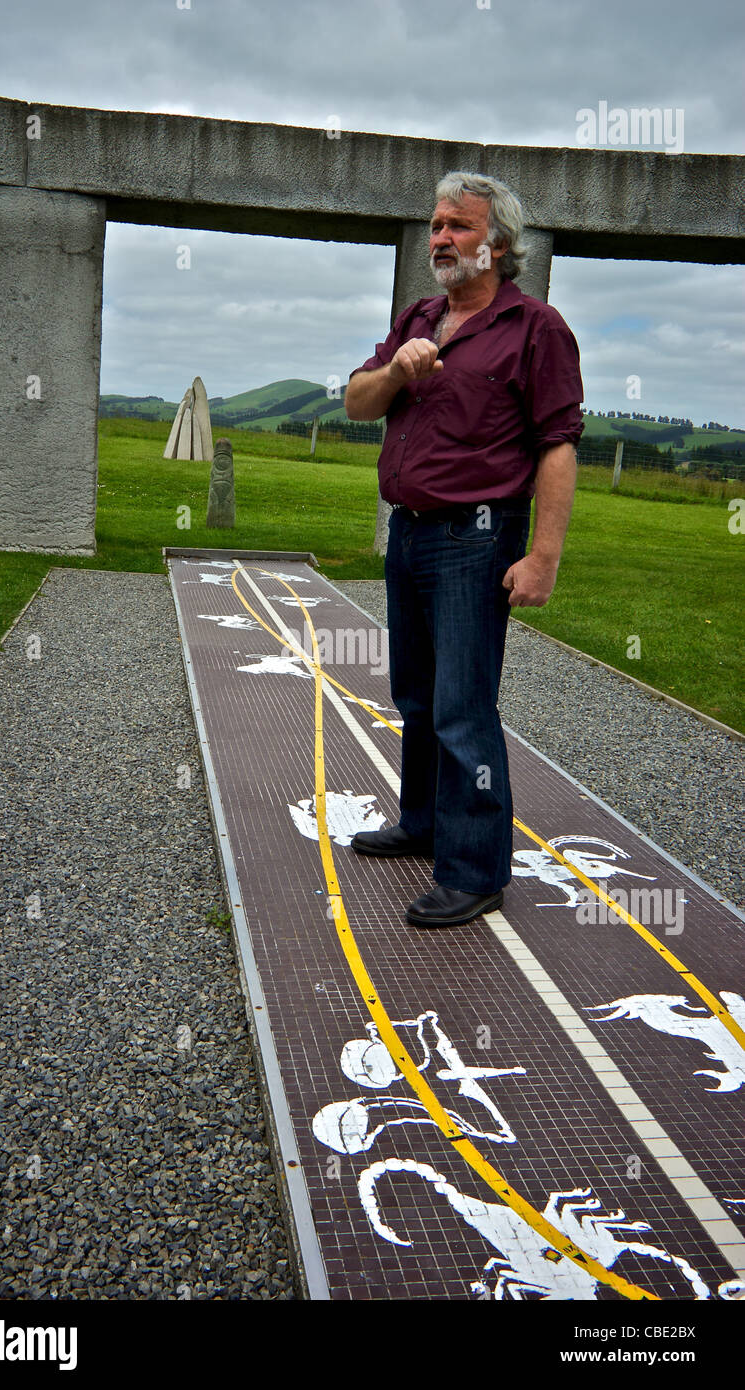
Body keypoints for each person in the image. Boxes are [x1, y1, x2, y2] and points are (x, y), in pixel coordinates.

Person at [344, 171, 584, 928]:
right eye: (435, 225)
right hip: (408, 533)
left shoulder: (535, 329)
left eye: (457, 227)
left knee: (461, 708)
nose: (440, 239)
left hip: (474, 542)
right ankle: (422, 824)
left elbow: (557, 445)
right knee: (414, 694)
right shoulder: (418, 317)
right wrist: (396, 369)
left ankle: (475, 868)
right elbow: (355, 403)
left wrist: (542, 556)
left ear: (497, 246)